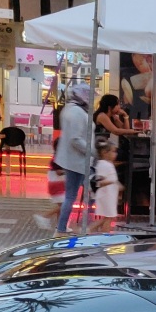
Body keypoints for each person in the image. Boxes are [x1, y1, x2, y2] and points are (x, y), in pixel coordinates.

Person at [53, 83, 93, 236]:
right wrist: (92, 151)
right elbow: (76, 139)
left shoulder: (69, 109)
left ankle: (62, 227)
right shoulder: (76, 112)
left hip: (74, 160)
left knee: (72, 195)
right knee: (82, 194)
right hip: (78, 160)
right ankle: (65, 228)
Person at [90, 138, 122, 234]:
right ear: (104, 153)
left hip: (109, 195)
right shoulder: (103, 164)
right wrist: (113, 181)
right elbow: (99, 182)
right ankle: (105, 235)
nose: (115, 154)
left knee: (109, 217)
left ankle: (91, 229)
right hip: (106, 195)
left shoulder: (108, 164)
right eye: (113, 152)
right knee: (109, 217)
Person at [33, 157, 65, 232]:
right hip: (57, 186)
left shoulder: (57, 158)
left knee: (61, 207)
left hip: (57, 186)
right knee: (64, 206)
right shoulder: (59, 159)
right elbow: (59, 172)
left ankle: (60, 226)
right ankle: (45, 216)